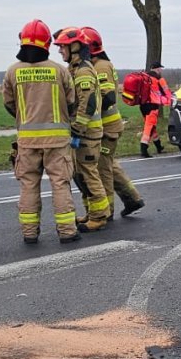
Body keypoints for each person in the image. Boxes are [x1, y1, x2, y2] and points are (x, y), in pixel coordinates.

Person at [3, 20, 80, 244]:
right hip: (58, 141)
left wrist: (26, 120)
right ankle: (67, 232)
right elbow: (72, 101)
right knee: (60, 183)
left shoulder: (12, 71)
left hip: (26, 142)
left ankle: (29, 233)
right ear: (46, 43)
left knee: (28, 185)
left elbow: (9, 103)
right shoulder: (59, 70)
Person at [82, 27, 144, 219]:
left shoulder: (100, 66)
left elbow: (108, 96)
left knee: (103, 168)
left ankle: (106, 211)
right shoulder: (98, 64)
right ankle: (132, 199)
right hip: (108, 126)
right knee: (110, 165)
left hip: (107, 128)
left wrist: (85, 108)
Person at [53, 26, 110, 232]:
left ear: (75, 47)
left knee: (89, 175)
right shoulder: (76, 69)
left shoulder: (84, 71)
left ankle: (99, 217)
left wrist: (77, 129)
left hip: (87, 133)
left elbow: (88, 102)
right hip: (83, 132)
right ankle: (91, 212)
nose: (60, 51)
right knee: (81, 175)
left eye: (62, 47)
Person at [139, 62, 171, 157]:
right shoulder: (158, 79)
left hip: (142, 105)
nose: (161, 70)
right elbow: (166, 92)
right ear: (157, 69)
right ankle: (143, 148)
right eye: (160, 69)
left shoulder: (144, 77)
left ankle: (159, 146)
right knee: (149, 126)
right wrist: (170, 102)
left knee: (152, 126)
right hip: (152, 105)